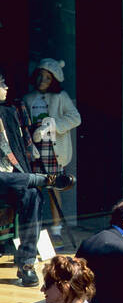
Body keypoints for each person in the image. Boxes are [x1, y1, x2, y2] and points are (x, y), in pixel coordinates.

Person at [0, 71, 66, 288]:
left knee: (32, 195)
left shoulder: (9, 113)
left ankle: (27, 263)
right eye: (2, 84)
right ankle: (42, 179)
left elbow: (19, 153)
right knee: (28, 183)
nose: (6, 88)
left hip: (12, 178)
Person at [23, 60, 80, 189]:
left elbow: (75, 118)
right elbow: (24, 125)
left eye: (48, 78)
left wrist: (52, 126)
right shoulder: (27, 98)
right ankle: (37, 209)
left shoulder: (60, 96)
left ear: (53, 80)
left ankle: (56, 210)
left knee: (54, 186)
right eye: (40, 75)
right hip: (36, 146)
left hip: (53, 149)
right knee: (35, 184)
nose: (42, 80)